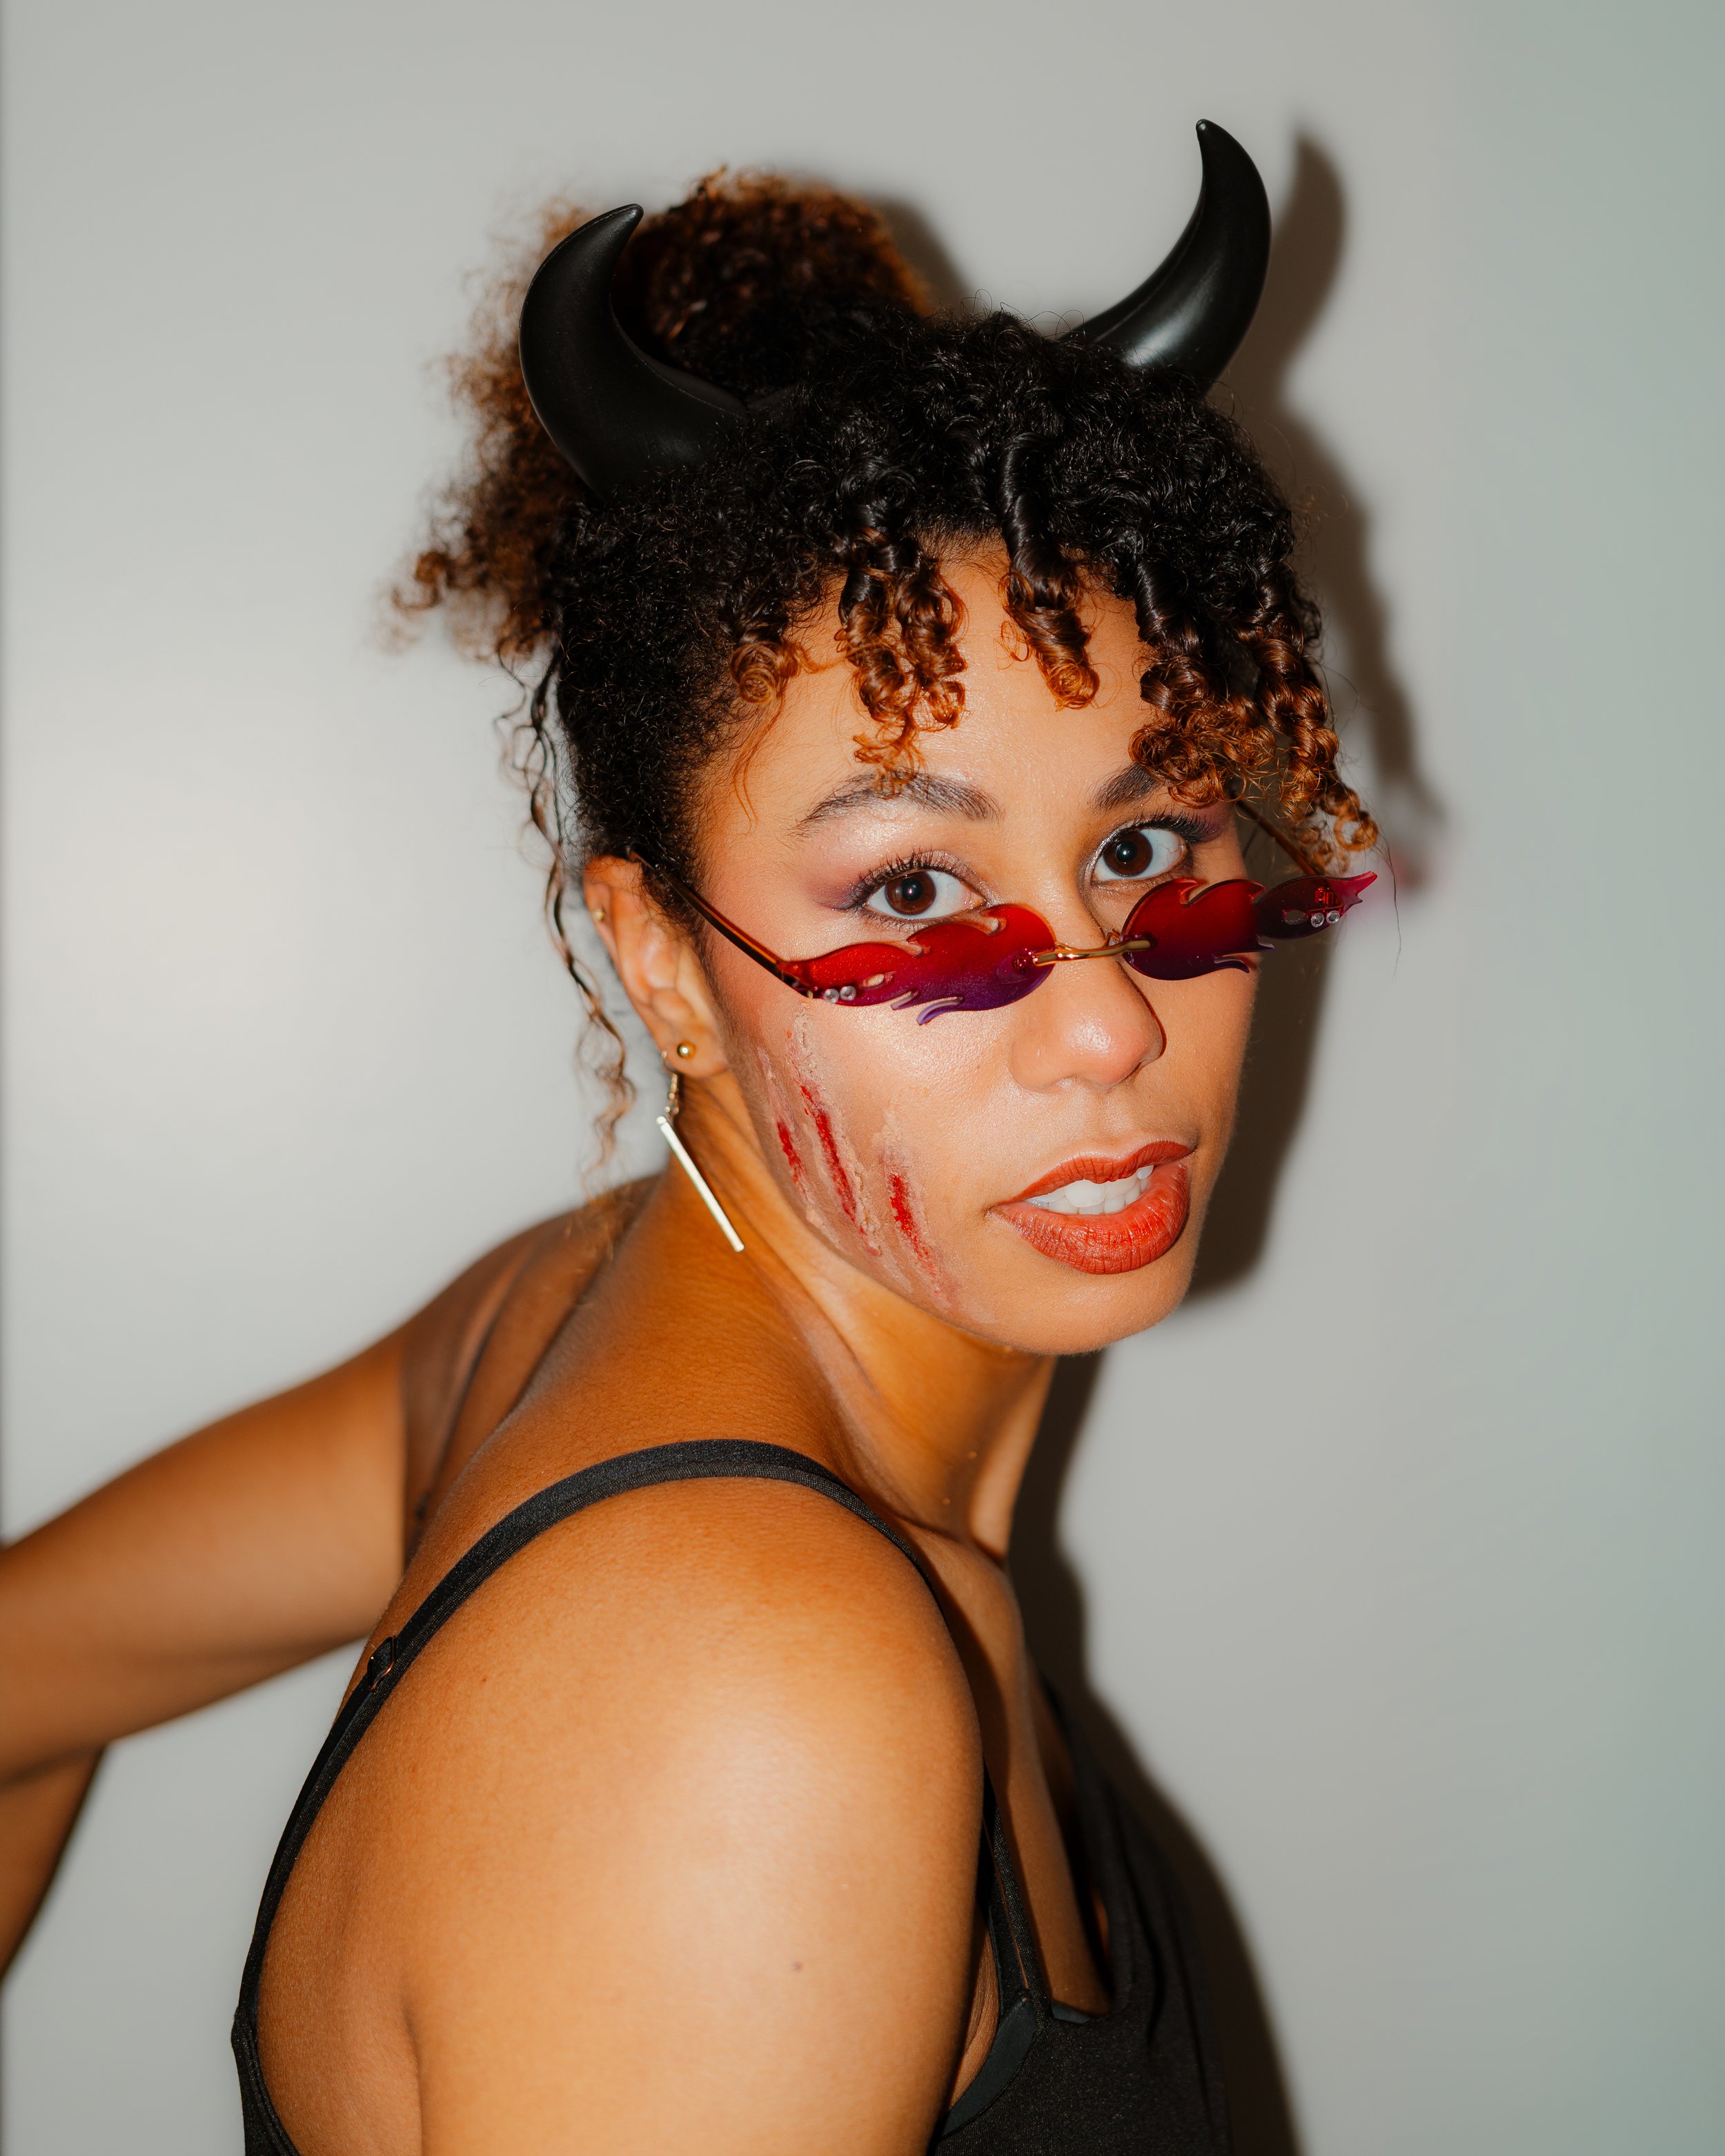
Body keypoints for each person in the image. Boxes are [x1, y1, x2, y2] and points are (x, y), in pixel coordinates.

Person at [0, 123, 1376, 2153]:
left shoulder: (556, 1316)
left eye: (1147, 843)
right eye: (911, 893)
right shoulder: (748, 1704)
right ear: (659, 961)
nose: (1104, 1018)